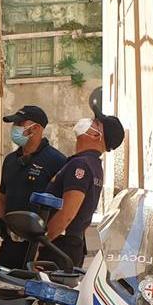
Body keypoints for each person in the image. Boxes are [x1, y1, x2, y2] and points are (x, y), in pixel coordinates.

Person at [44, 110, 125, 269]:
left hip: (58, 248)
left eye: (95, 123)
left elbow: (67, 214)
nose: (89, 121)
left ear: (97, 135)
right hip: (71, 245)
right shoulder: (93, 165)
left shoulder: (80, 165)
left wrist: (42, 242)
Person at [0, 105, 68, 268]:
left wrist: (44, 244)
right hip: (11, 244)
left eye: (20, 124)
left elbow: (65, 208)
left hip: (41, 248)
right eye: (14, 125)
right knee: (6, 289)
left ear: (36, 128)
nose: (15, 129)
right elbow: (3, 200)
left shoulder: (57, 161)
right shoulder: (10, 161)